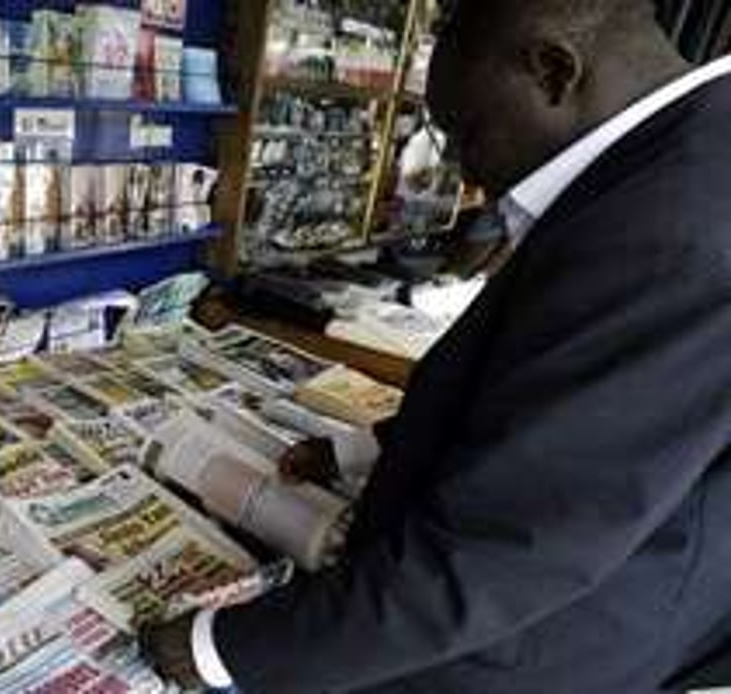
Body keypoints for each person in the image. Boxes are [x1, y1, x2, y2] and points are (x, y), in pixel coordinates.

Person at [142, 1, 731, 692]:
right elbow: (566, 398)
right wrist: (361, 450)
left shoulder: (672, 229)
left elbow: (509, 551)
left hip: (537, 647)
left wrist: (220, 650)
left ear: (550, 71)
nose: (460, 166)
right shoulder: (678, 159)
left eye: (467, 133)